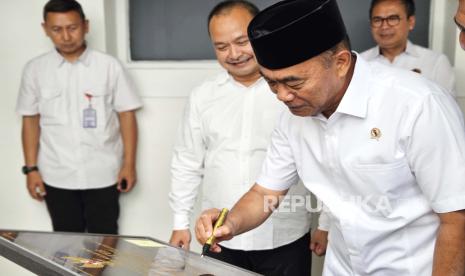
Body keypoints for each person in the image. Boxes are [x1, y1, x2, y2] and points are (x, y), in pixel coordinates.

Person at [195, 0, 465, 275]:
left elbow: (457, 217)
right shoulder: (292, 116)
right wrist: (231, 223)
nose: (282, 96)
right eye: (271, 83)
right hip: (342, 267)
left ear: (340, 63)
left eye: (294, 82)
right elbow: (265, 192)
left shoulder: (418, 104)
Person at [168, 1, 328, 274]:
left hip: (285, 234)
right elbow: (187, 161)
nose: (234, 53)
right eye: (221, 46)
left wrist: (325, 224)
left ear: (259, 36)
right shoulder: (203, 96)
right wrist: (179, 222)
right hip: (220, 237)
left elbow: (324, 159)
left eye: (241, 41)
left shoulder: (297, 91)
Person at [16, 0, 142, 234]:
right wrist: (31, 169)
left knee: (104, 244)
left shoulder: (109, 66)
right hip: (56, 175)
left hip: (104, 172)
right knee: (64, 245)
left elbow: (127, 115)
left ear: (86, 25)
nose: (65, 36)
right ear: (45, 29)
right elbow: (30, 120)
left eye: (72, 27)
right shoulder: (35, 70)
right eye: (57, 29)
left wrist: (129, 165)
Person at [361, 0, 456, 96]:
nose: (384, 26)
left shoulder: (435, 62)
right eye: (377, 20)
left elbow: (445, 108)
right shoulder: (360, 63)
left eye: (393, 19)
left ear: (411, 22)